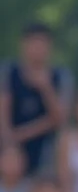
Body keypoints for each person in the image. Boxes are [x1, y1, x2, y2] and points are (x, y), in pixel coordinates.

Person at [0, 22, 73, 176]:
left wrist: (46, 88)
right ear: (23, 44)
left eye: (42, 43)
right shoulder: (8, 73)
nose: (37, 49)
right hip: (8, 149)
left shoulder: (60, 76)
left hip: (45, 151)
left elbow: (60, 119)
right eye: (33, 43)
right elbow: (3, 109)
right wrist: (9, 141)